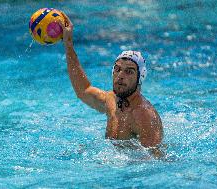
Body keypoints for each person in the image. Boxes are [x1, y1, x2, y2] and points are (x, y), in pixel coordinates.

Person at [59, 13, 164, 158]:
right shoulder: (111, 100)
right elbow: (83, 90)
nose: (121, 75)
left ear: (140, 77)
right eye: (118, 69)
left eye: (129, 71)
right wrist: (68, 44)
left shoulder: (143, 115)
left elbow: (155, 160)